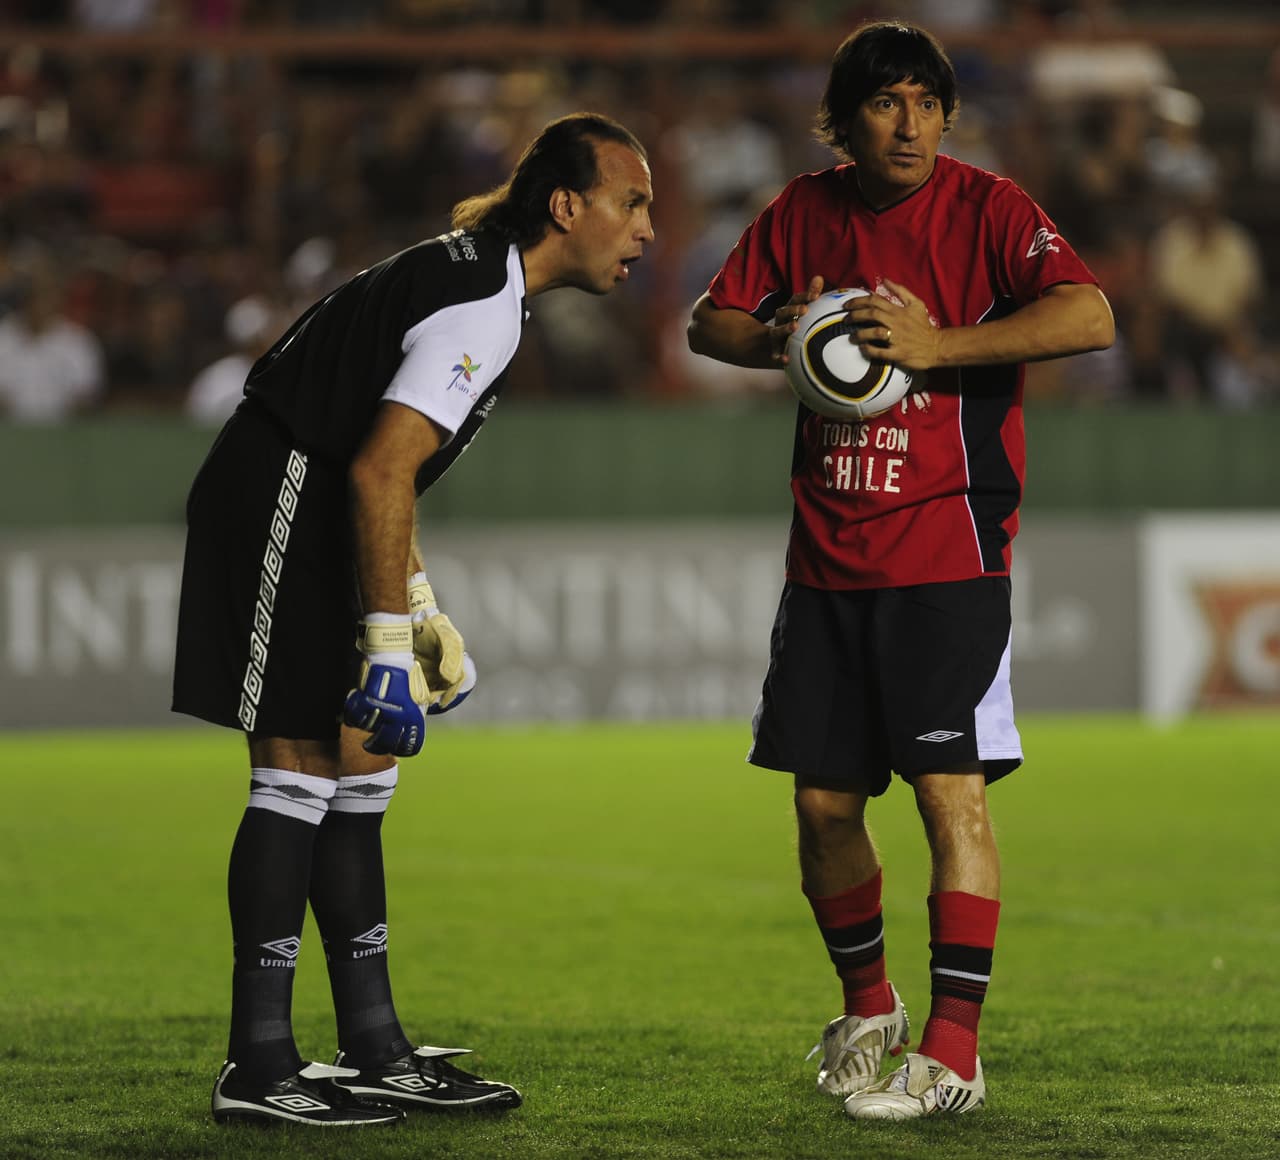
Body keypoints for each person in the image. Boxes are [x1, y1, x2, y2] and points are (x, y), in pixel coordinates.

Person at [172, 111, 654, 1128]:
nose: (645, 228)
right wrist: (387, 646)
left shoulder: (480, 276)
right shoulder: (484, 298)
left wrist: (417, 608)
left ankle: (373, 1044)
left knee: (360, 762)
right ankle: (258, 1060)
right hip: (280, 492)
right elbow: (377, 465)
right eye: (633, 202)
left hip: (310, 489)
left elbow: (381, 456)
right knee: (297, 763)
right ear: (567, 207)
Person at [687, 21, 1113, 1121]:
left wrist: (940, 346)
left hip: (946, 552)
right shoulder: (800, 210)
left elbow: (1088, 313)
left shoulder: (990, 211)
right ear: (843, 119)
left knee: (946, 789)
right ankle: (869, 1008)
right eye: (885, 101)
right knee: (823, 804)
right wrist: (778, 331)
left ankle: (953, 1050)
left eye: (927, 100)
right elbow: (711, 322)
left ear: (947, 114)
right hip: (826, 559)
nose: (910, 121)